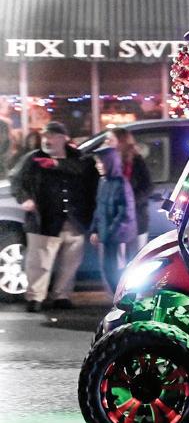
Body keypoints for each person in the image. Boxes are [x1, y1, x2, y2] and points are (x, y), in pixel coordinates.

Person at [9, 121, 99, 311]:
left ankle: (62, 295)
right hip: (44, 219)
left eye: (52, 136)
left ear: (63, 138)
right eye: (45, 136)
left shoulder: (79, 159)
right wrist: (24, 199)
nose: (47, 140)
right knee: (39, 262)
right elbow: (16, 180)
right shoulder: (33, 159)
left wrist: (57, 164)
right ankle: (35, 297)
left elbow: (86, 175)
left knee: (70, 262)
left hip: (74, 219)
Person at [89, 147, 137, 293]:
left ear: (109, 162)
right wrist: (95, 230)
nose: (97, 165)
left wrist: (109, 233)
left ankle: (124, 299)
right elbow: (99, 208)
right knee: (107, 270)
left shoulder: (121, 183)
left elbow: (125, 214)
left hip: (118, 237)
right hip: (107, 236)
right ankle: (116, 298)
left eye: (100, 162)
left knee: (118, 271)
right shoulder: (103, 181)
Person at [104, 127, 152, 260]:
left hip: (136, 218)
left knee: (137, 259)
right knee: (117, 261)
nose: (106, 142)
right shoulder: (106, 162)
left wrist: (130, 201)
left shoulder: (136, 161)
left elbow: (147, 187)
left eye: (110, 139)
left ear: (121, 141)